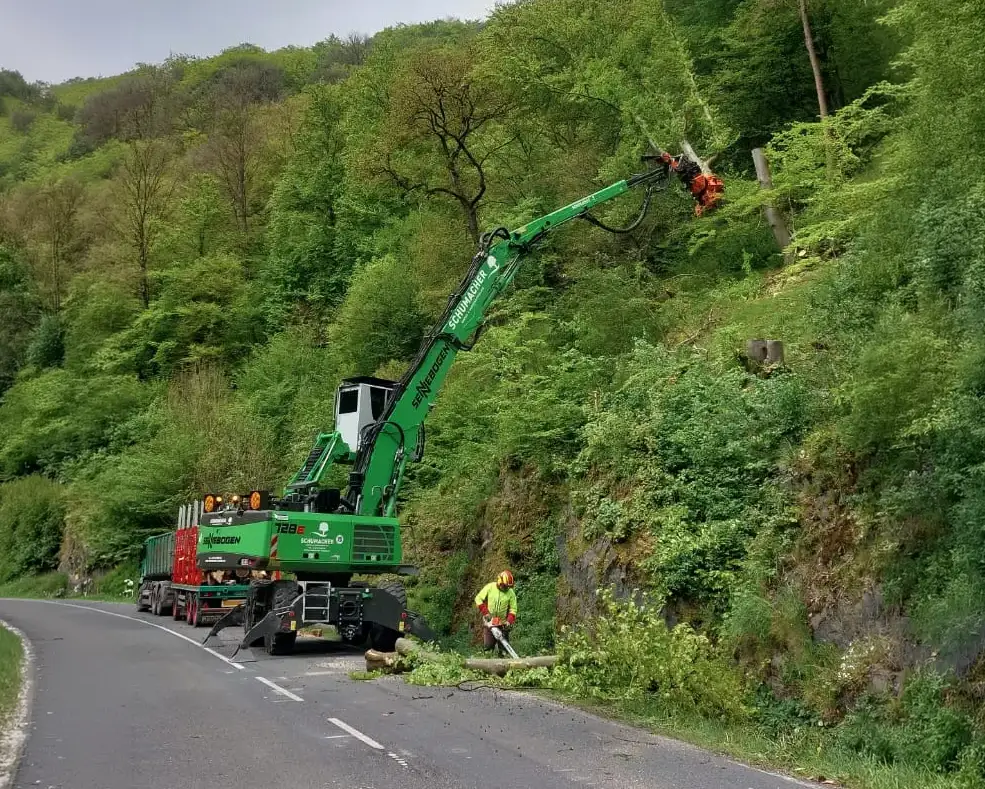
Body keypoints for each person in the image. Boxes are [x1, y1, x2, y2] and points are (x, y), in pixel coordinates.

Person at [474, 570, 517, 652]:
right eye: (505, 586)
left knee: (504, 650)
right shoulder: (490, 587)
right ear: (499, 581)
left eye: (508, 587)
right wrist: (485, 613)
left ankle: (503, 660)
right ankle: (487, 661)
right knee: (488, 647)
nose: (506, 588)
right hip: (490, 622)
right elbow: (478, 599)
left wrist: (509, 621)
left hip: (503, 624)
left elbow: (513, 609)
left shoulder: (511, 593)